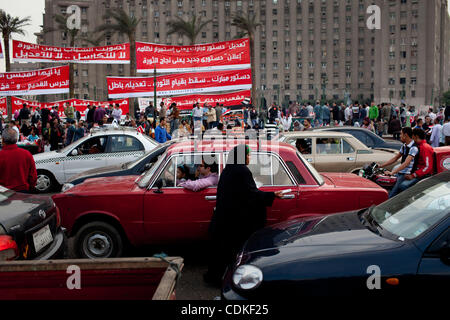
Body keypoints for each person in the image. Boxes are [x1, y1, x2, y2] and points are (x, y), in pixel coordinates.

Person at [203, 145, 283, 286]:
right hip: (233, 220)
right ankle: (227, 281)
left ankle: (215, 277)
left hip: (224, 217)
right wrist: (272, 194)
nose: (249, 158)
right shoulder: (242, 170)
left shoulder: (230, 169)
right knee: (233, 251)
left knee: (221, 251)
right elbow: (251, 194)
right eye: (247, 155)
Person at [379, 127, 418, 198]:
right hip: (400, 172)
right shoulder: (404, 146)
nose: (400, 136)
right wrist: (381, 166)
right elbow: (395, 158)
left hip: (406, 174)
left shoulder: (413, 148)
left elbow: (406, 163)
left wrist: (392, 172)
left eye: (401, 134)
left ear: (405, 135)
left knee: (392, 194)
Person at [0, 128, 37, 193]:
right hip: (23, 192)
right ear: (16, 139)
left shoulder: (1, 155)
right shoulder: (26, 154)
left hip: (3, 193)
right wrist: (31, 187)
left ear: (2, 140)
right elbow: (33, 176)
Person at [398, 128, 434, 193]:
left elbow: (427, 167)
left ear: (416, 136)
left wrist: (413, 175)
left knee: (403, 185)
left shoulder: (425, 148)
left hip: (422, 174)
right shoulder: (418, 146)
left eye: (412, 136)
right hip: (416, 171)